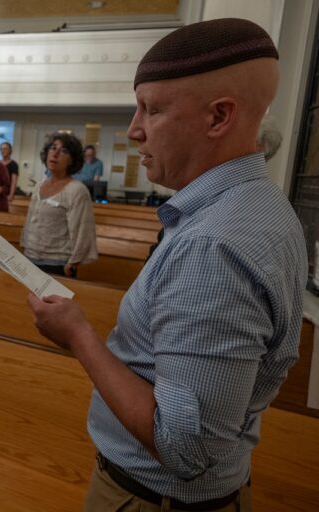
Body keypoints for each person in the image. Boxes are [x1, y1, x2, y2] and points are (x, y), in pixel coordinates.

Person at [28, 18, 306, 512]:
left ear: (219, 117)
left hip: (153, 499)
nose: (134, 130)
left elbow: (185, 447)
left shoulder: (214, 246)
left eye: (152, 110)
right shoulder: (261, 204)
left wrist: (79, 336)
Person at [21, 132, 97, 277]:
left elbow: (83, 230)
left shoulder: (77, 190)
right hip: (29, 258)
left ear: (72, 160)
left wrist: (73, 263)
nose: (55, 154)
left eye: (63, 151)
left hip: (56, 264)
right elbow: (30, 221)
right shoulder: (39, 185)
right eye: (52, 148)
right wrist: (24, 246)